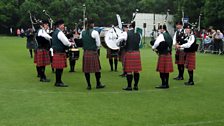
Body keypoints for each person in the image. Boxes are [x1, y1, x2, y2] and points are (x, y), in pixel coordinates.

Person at [116, 21, 142, 91]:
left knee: (129, 71)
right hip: (137, 53)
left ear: (128, 27)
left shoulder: (125, 34)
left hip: (129, 53)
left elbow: (118, 41)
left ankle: (129, 86)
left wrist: (119, 45)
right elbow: (139, 43)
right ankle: (136, 86)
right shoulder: (138, 34)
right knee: (136, 71)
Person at [80, 19, 105, 90]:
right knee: (97, 69)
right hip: (93, 52)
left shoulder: (82, 32)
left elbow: (81, 42)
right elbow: (98, 44)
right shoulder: (95, 32)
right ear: (92, 24)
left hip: (86, 53)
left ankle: (89, 85)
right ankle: (98, 83)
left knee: (86, 70)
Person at [52, 19, 74, 87]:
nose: (64, 26)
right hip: (60, 52)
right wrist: (71, 44)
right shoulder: (60, 33)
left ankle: (58, 81)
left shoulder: (55, 32)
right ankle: (58, 82)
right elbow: (66, 42)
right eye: (63, 25)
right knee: (59, 68)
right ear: (59, 25)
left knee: (58, 68)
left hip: (56, 52)